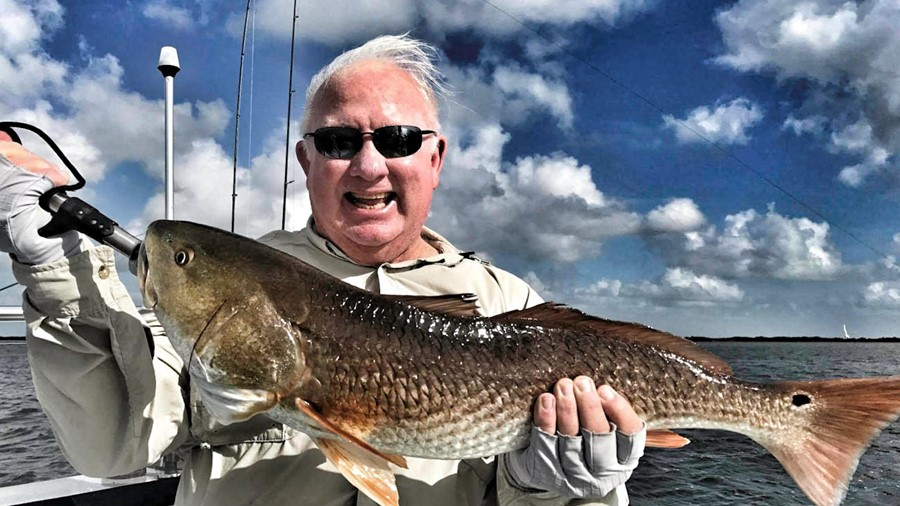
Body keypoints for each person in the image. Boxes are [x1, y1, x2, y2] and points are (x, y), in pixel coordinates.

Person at [0, 35, 645, 505]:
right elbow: (109, 442)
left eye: (397, 140)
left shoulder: (509, 304)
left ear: (436, 158)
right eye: (339, 142)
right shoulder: (235, 285)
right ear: (307, 162)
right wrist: (56, 264)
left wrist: (554, 490)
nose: (368, 167)